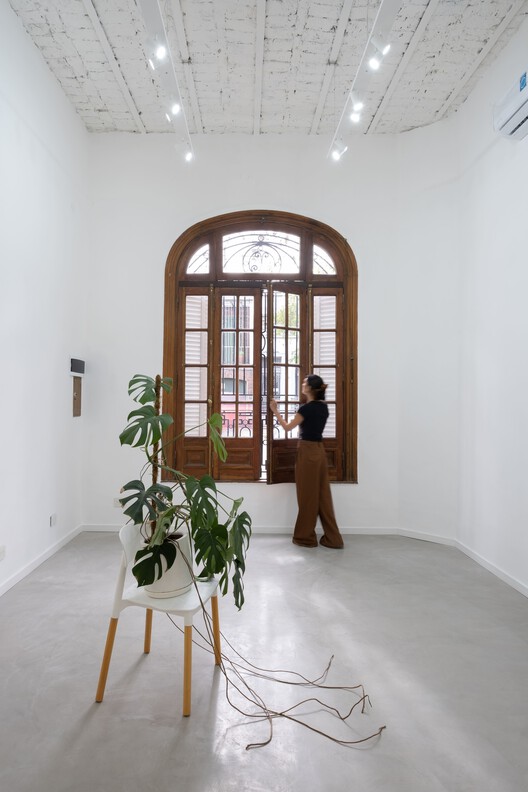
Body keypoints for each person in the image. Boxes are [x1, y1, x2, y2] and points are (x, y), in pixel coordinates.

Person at [270, 374, 344, 549]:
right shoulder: (324, 409)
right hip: (320, 452)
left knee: (307, 496)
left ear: (310, 388)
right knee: (323, 496)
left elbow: (288, 427)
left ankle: (305, 537)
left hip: (307, 451)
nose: (302, 384)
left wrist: (275, 411)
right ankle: (334, 539)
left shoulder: (306, 409)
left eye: (305, 382)